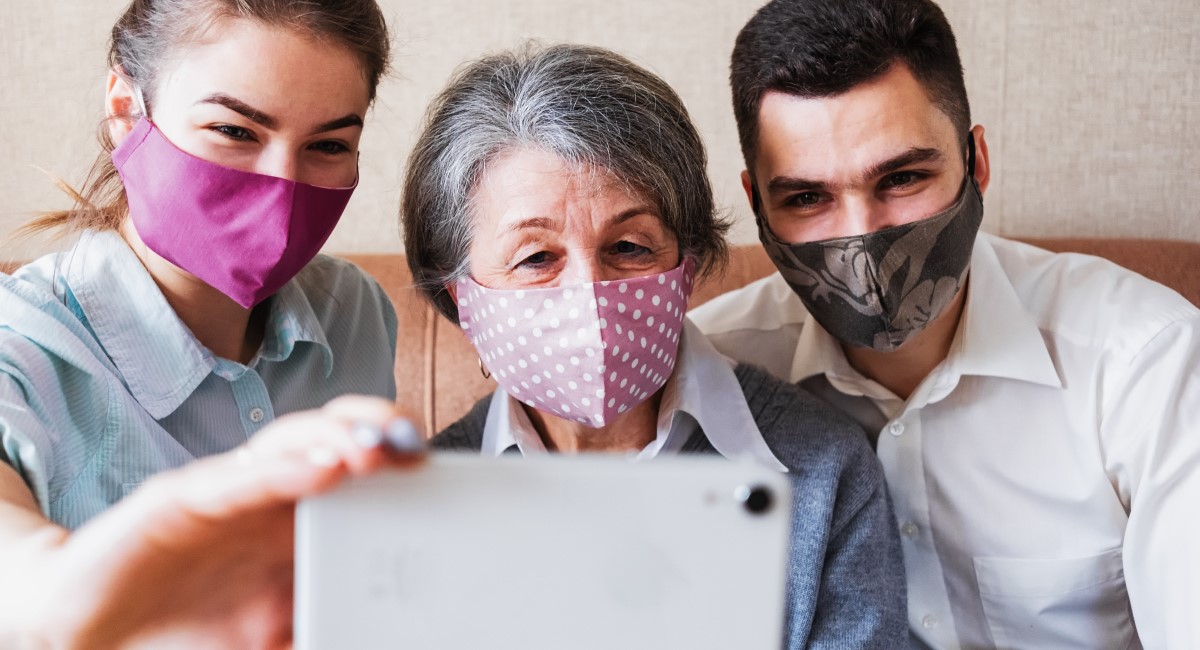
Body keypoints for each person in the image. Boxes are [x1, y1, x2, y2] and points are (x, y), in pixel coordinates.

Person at [688, 0, 1200, 647]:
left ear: (976, 161)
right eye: (807, 198)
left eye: (901, 177)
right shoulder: (716, 376)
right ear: (757, 204)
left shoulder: (1145, 361)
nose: (860, 237)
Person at [401, 43, 908, 648]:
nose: (589, 292)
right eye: (536, 258)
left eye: (631, 247)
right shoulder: (418, 500)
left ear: (687, 266)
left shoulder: (823, 469)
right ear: (464, 296)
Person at [0, 0, 412, 645]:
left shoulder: (356, 312)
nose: (281, 185)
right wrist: (86, 587)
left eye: (328, 145)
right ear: (124, 108)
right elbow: (20, 580)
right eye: (235, 130)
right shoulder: (18, 347)